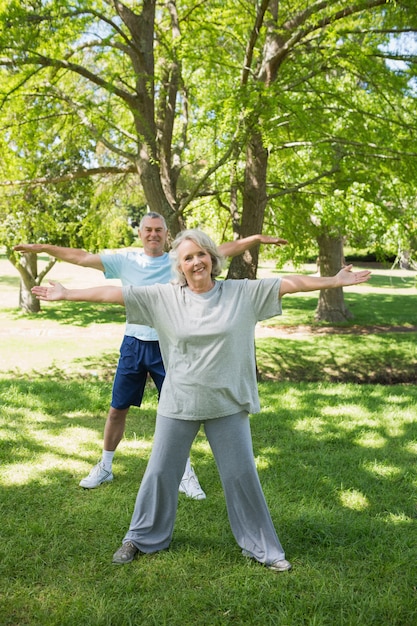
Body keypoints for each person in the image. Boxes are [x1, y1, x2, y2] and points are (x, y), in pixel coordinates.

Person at [32, 228, 371, 572]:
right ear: (179, 267)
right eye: (188, 257)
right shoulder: (164, 297)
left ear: (213, 258)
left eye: (202, 254)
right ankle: (141, 536)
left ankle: (262, 547)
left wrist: (333, 280)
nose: (196, 262)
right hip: (179, 402)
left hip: (227, 402)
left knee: (241, 475)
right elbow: (115, 293)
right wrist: (67, 293)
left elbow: (287, 283)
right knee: (160, 472)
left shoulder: (240, 293)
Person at [15, 214, 287, 498]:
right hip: (134, 343)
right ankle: (105, 466)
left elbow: (224, 250)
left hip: (170, 346)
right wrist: (44, 249)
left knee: (183, 411)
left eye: (159, 230)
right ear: (140, 232)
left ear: (166, 234)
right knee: (117, 408)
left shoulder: (181, 257)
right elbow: (82, 258)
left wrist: (254, 239)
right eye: (148, 229)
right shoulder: (126, 261)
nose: (153, 234)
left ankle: (186, 474)